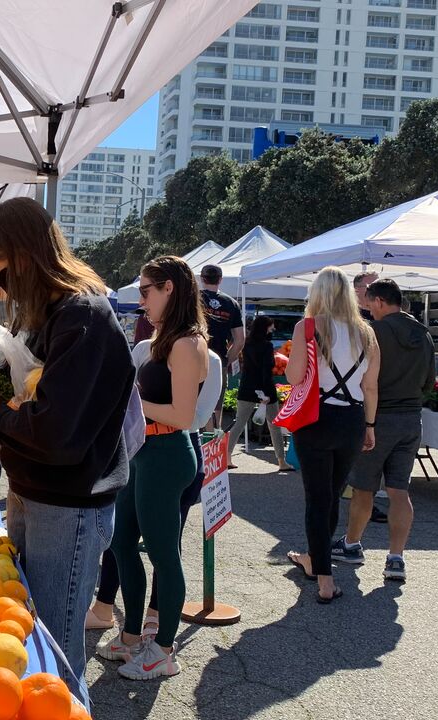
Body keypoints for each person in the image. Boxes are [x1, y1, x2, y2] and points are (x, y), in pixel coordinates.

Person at [0, 197, 134, 710]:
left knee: (53, 657)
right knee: (33, 641)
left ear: (25, 255)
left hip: (70, 507)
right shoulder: (41, 318)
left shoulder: (85, 318)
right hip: (32, 495)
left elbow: (52, 432)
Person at [93, 256, 207, 681]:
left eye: (145, 290)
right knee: (121, 543)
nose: (140, 300)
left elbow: (182, 416)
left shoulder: (186, 343)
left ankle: (162, 651)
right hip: (144, 451)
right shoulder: (165, 339)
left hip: (167, 454)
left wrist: (128, 401)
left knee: (163, 555)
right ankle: (131, 636)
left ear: (169, 289)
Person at [86, 346, 222, 637]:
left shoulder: (204, 356)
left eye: (148, 295)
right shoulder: (145, 347)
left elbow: (192, 419)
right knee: (120, 537)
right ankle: (110, 612)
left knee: (164, 547)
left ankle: (156, 625)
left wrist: (137, 403)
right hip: (139, 448)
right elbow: (123, 389)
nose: (144, 303)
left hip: (174, 452)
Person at [285, 267, 380, 603]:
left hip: (316, 417)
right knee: (334, 493)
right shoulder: (366, 333)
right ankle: (315, 559)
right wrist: (369, 426)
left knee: (317, 497)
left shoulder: (308, 327)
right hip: (353, 420)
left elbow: (295, 375)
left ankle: (323, 578)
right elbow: (370, 386)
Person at [333, 279, 433, 582]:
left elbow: (364, 379)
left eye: (367, 302)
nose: (365, 307)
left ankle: (351, 544)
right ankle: (396, 557)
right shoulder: (423, 333)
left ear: (378, 302)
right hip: (411, 418)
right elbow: (430, 381)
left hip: (378, 416)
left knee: (364, 486)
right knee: (399, 490)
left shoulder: (374, 332)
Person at [227, 315, 291, 471]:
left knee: (239, 423)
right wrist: (266, 393)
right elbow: (266, 370)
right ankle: (281, 461)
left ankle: (226, 457)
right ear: (265, 327)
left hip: (247, 387)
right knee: (274, 425)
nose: (273, 329)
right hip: (265, 388)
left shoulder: (246, 343)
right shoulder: (267, 346)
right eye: (271, 326)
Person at [352, 271, 388, 524]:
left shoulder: (376, 318)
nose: (374, 289)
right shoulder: (354, 321)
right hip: (357, 395)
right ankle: (362, 500)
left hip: (371, 392)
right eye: (369, 285)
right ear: (356, 289)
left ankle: (361, 497)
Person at [199, 265, 244, 429]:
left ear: (202, 279)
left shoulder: (192, 299)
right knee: (216, 404)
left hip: (193, 358)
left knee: (193, 402)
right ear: (220, 280)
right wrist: (225, 360)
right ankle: (213, 443)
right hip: (218, 361)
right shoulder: (231, 303)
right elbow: (240, 340)